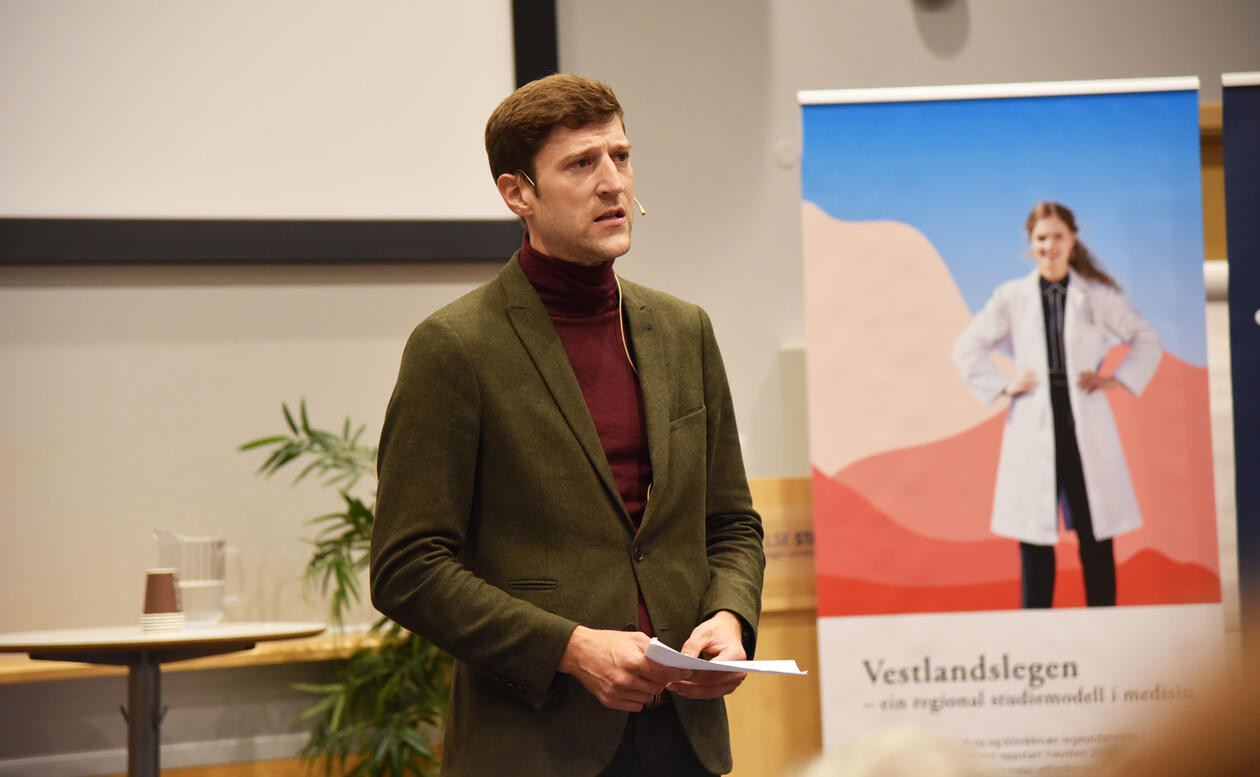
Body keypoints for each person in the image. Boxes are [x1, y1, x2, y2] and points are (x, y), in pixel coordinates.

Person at [369, 74, 765, 777]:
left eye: (621, 156)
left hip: (685, 736)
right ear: (517, 193)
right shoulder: (455, 346)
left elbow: (731, 523)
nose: (613, 183)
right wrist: (571, 648)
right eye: (581, 164)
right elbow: (408, 568)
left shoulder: (684, 330)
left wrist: (731, 618)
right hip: (536, 743)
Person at [952, 202, 1161, 608]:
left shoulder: (1098, 297)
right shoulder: (1011, 297)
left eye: (1057, 237)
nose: (1050, 246)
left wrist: (1117, 379)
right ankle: (1035, 627)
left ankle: (1105, 621)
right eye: (1041, 238)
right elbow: (966, 346)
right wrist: (1002, 385)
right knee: (1034, 537)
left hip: (1084, 425)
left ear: (1073, 240)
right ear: (1031, 243)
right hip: (1036, 425)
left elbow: (1146, 339)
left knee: (1095, 530)